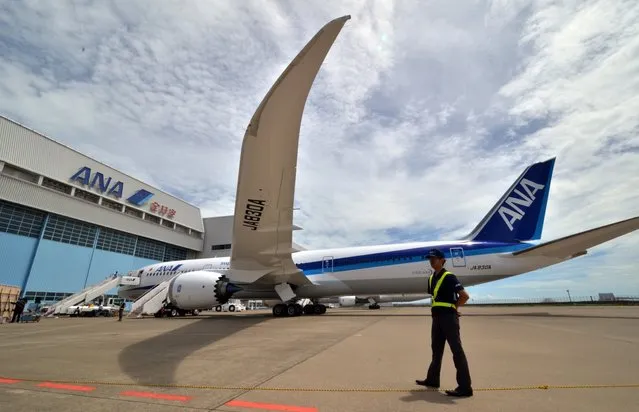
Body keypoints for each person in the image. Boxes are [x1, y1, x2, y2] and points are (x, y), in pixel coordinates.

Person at [416, 248, 473, 397]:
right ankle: (433, 379)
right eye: (430, 258)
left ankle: (465, 387)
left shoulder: (449, 277)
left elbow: (464, 296)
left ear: (442, 260)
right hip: (437, 319)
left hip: (448, 318)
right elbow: (435, 298)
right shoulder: (431, 278)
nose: (431, 260)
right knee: (436, 350)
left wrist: (454, 308)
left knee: (456, 351)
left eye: (434, 258)